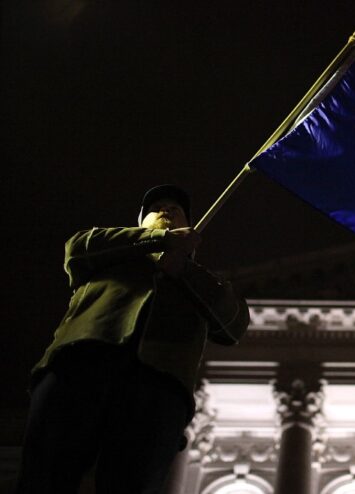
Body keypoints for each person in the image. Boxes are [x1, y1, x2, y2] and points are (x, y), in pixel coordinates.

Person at [15, 185, 250, 494]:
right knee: (45, 477)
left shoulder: (197, 280)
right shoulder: (108, 254)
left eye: (175, 209)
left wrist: (184, 269)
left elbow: (233, 324)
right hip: (81, 363)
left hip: (158, 387)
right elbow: (77, 247)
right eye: (157, 207)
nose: (166, 209)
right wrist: (158, 240)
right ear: (141, 223)